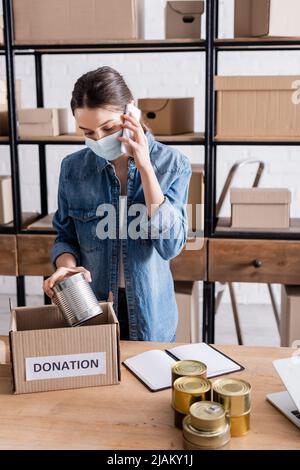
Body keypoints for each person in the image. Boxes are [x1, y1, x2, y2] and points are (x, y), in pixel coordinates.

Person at [43, 66, 192, 341]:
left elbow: (171, 246)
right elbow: (65, 237)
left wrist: (145, 166)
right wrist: (65, 265)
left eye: (108, 128)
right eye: (88, 132)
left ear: (131, 112)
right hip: (92, 307)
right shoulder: (73, 169)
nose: (98, 139)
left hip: (151, 315)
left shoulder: (173, 164)